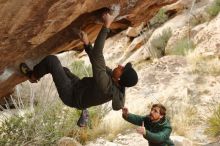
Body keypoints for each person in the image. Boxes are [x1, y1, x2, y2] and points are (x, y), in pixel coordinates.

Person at [19, 12, 138, 127]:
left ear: (119, 78)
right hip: (79, 86)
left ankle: (32, 76)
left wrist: (106, 25)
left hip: (71, 96)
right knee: (63, 70)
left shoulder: (106, 86)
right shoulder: (115, 79)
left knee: (52, 61)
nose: (121, 66)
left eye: (122, 69)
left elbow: (97, 56)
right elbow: (96, 62)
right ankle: (83, 106)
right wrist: (86, 44)